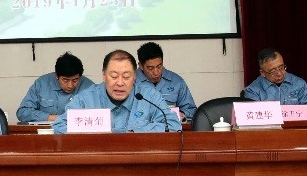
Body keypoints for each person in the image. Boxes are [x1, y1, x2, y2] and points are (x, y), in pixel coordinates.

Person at [52, 49, 181, 133]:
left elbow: (173, 125)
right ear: (104, 75)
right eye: (114, 76)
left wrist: (135, 131)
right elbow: (59, 126)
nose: (120, 83)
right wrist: (92, 134)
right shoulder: (86, 99)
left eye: (126, 77)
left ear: (134, 77)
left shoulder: (149, 96)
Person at [16, 52, 95, 123]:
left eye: (75, 80)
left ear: (80, 76)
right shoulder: (41, 84)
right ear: (57, 75)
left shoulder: (89, 87)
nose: (70, 85)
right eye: (65, 80)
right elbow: (23, 112)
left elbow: (99, 115)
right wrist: (53, 118)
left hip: (79, 133)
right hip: (47, 132)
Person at [241, 47, 307, 118]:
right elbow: (253, 117)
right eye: (273, 71)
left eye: (281, 68)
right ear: (262, 73)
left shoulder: (298, 84)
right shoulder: (252, 91)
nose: (279, 74)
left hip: (295, 127)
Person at [135, 42, 197, 120]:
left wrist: (183, 114)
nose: (156, 72)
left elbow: (191, 110)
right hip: (140, 126)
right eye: (151, 68)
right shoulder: (131, 82)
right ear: (141, 66)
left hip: (170, 126)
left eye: (159, 66)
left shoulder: (176, 81)